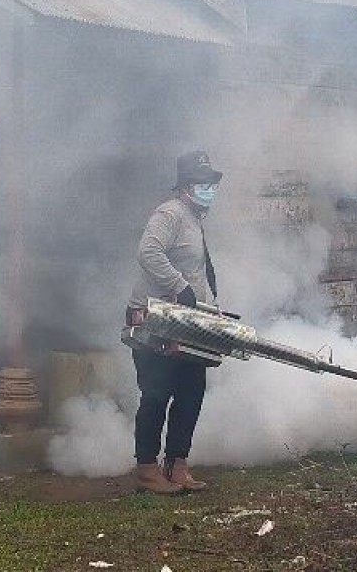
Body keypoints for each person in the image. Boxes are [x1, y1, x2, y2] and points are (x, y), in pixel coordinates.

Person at [125, 150, 222, 494]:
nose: (208, 188)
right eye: (201, 182)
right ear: (185, 185)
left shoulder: (195, 219)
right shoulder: (170, 214)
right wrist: (178, 287)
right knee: (156, 394)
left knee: (191, 392)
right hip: (155, 321)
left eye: (210, 182)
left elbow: (199, 273)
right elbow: (148, 252)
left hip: (187, 323)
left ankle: (178, 465)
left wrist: (212, 307)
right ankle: (147, 469)